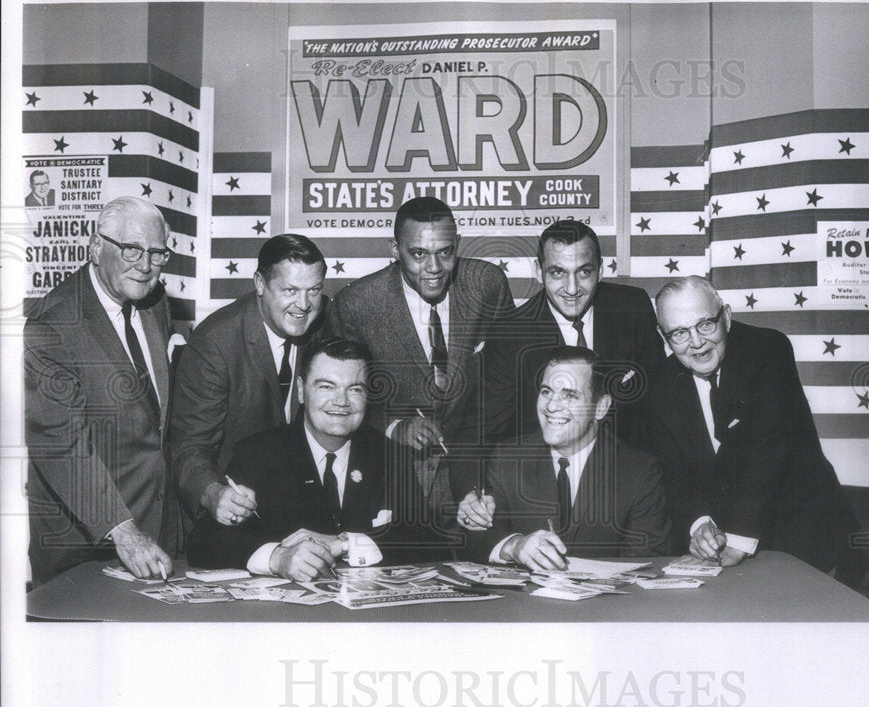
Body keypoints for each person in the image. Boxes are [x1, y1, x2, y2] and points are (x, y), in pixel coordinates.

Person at [186, 338, 451, 580]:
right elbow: (204, 541)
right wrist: (278, 558)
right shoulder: (259, 453)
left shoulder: (389, 454)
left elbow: (431, 541)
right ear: (301, 391)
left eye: (354, 389)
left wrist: (344, 543)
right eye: (326, 386)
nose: (341, 402)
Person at [645, 275, 857, 571]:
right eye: (679, 333)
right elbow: (675, 473)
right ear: (663, 335)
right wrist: (700, 526)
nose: (696, 343)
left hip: (804, 537)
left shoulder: (768, 351)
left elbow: (767, 454)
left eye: (706, 324)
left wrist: (738, 539)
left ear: (727, 317)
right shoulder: (659, 385)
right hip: (723, 548)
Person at [327, 196, 514, 521]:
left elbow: (508, 382)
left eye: (445, 252)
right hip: (395, 479)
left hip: (477, 476)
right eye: (418, 254)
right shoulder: (356, 304)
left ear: (458, 244)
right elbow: (339, 395)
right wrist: (394, 426)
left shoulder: (487, 284)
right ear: (395, 249)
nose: (434, 268)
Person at [25, 196, 179, 584]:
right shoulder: (53, 324)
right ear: (96, 248)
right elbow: (60, 443)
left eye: (157, 253)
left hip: (156, 533)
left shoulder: (153, 301)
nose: (144, 266)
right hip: (85, 546)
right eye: (131, 250)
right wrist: (123, 531)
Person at [456, 347, 670, 571]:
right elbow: (473, 542)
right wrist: (515, 545)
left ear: (600, 407)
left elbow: (648, 563)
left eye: (570, 395)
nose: (551, 406)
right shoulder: (508, 458)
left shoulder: (638, 471)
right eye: (547, 392)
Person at [170, 234, 327, 527]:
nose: (304, 304)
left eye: (314, 290)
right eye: (290, 290)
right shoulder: (214, 344)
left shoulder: (325, 323)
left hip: (301, 512)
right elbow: (188, 448)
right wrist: (212, 492)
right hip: (234, 514)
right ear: (259, 284)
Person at [478, 219, 664, 450]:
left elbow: (661, 404)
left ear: (601, 269)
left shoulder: (632, 307)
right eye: (558, 272)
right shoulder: (508, 335)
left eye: (584, 272)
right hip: (547, 474)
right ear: (539, 271)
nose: (573, 289)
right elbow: (486, 429)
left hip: (627, 469)